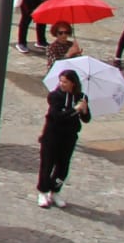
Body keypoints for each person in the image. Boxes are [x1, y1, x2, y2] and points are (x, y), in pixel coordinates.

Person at [37, 68, 91, 208]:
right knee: (47, 165)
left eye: (65, 82)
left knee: (63, 167)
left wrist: (84, 110)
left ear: (73, 83)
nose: (62, 84)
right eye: (61, 81)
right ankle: (43, 191)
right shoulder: (55, 96)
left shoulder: (81, 97)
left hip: (69, 137)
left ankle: (55, 191)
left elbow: (86, 119)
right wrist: (75, 110)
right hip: (52, 136)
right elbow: (58, 117)